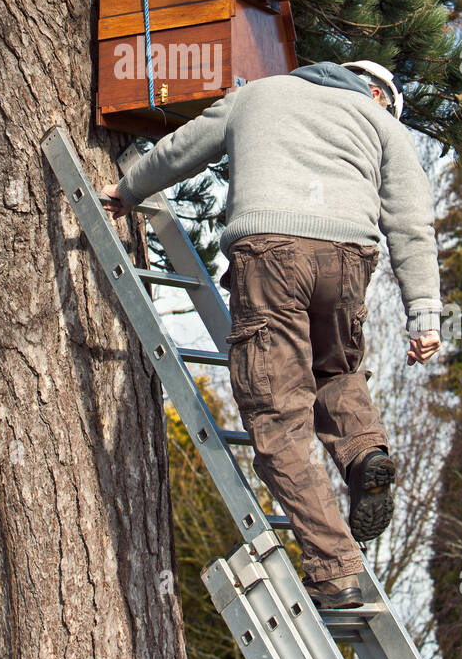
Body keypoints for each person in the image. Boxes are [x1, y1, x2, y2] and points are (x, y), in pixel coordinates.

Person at [102, 59, 442, 609]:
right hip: (348, 258)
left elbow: (183, 148)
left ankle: (333, 568)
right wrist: (424, 314)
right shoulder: (381, 125)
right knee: (336, 370)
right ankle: (362, 456)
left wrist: (129, 189)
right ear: (376, 92)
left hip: (270, 251)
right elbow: (411, 220)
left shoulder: (256, 93)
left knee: (278, 414)